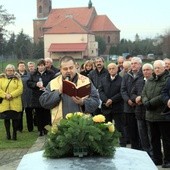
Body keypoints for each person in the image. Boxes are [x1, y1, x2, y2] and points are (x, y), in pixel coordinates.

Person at [39, 56, 100, 125]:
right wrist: (58, 92)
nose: (68, 71)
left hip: (82, 126)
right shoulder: (53, 83)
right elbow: (43, 101)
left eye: (71, 68)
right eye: (65, 69)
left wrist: (83, 102)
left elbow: (96, 101)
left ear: (75, 67)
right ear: (60, 69)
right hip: (61, 125)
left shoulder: (86, 81)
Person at [142, 60, 170, 167]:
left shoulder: (167, 79)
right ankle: (157, 159)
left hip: (162, 115)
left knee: (166, 139)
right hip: (150, 115)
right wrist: (145, 101)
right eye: (155, 67)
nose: (157, 69)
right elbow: (144, 92)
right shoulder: (151, 79)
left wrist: (150, 103)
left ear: (164, 68)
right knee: (154, 139)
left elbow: (163, 94)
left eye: (159, 67)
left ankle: (167, 160)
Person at [98, 63, 126, 147]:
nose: (111, 70)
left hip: (118, 107)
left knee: (119, 128)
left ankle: (122, 145)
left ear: (117, 69)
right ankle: (107, 145)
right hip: (106, 107)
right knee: (107, 127)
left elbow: (122, 92)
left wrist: (112, 100)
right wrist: (106, 100)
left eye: (113, 68)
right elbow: (100, 91)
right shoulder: (103, 79)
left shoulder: (121, 80)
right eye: (109, 69)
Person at [27, 59, 55, 136]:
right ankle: (40, 130)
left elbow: (53, 82)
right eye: (39, 66)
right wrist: (36, 84)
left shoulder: (50, 73)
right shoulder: (33, 74)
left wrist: (47, 87)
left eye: (42, 65)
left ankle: (47, 129)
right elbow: (29, 83)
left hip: (46, 95)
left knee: (46, 114)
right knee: (38, 114)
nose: (40, 67)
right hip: (37, 97)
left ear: (44, 66)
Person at [131, 63, 153, 157]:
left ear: (152, 71)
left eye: (148, 70)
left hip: (151, 112)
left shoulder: (154, 81)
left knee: (151, 135)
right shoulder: (139, 81)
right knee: (142, 135)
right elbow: (132, 93)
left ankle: (153, 154)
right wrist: (135, 98)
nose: (146, 72)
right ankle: (146, 153)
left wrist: (141, 98)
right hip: (139, 112)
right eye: (144, 70)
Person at [121, 57, 142, 149]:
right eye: (132, 63)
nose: (133, 65)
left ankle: (142, 150)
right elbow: (123, 90)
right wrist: (128, 100)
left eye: (135, 63)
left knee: (141, 131)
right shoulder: (126, 76)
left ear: (140, 65)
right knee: (132, 131)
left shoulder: (143, 75)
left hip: (140, 107)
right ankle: (134, 149)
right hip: (128, 107)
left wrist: (137, 100)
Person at [0, 64, 23, 140]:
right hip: (5, 103)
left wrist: (11, 95)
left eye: (11, 70)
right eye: (8, 70)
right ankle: (8, 134)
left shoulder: (17, 79)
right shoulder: (1, 79)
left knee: (15, 119)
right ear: (5, 71)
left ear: (14, 71)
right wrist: (5, 95)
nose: (9, 72)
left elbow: (20, 89)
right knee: (6, 119)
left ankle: (14, 134)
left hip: (15, 102)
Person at [17, 61, 34, 132]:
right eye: (20, 66)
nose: (22, 67)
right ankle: (19, 128)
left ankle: (30, 128)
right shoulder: (16, 75)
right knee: (19, 114)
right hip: (19, 96)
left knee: (29, 113)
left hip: (28, 96)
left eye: (23, 66)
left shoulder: (29, 75)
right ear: (18, 67)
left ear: (25, 67)